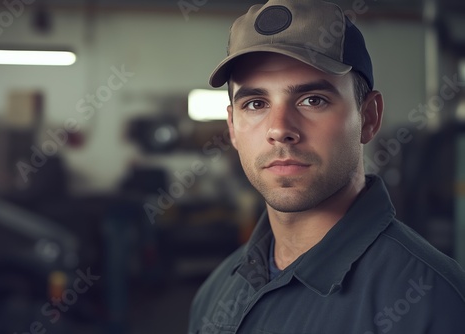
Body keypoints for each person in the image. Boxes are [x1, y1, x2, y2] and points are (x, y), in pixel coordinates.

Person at [188, 0, 465, 333]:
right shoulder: (215, 294)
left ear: (369, 117)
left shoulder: (432, 304)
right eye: (256, 103)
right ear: (232, 127)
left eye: (312, 100)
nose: (279, 129)